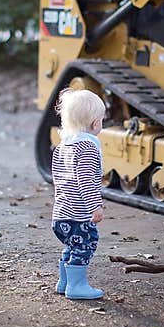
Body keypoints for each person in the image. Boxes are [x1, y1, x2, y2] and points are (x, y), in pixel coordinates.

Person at [51, 87, 107, 300]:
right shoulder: (87, 148)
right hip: (78, 215)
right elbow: (85, 181)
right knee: (85, 244)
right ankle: (77, 287)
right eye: (101, 120)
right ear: (95, 123)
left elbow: (58, 180)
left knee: (73, 245)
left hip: (60, 215)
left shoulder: (63, 147)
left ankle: (64, 282)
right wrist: (95, 205)